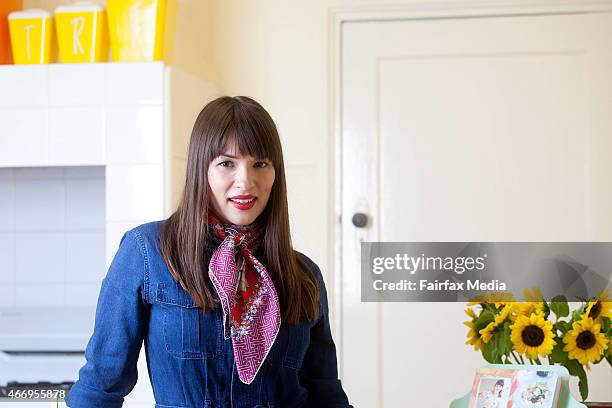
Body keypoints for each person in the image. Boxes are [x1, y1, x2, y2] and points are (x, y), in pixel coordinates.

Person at [65, 96, 352, 407]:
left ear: (275, 174)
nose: (246, 181)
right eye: (226, 163)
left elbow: (326, 396)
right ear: (201, 169)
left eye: (260, 164)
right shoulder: (146, 252)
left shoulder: (303, 275)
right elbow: (100, 388)